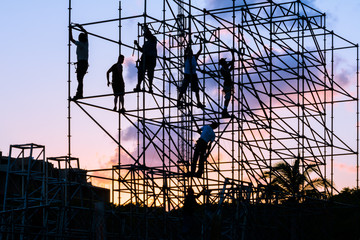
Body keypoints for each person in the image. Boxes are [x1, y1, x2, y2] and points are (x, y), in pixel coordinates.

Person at [177, 40, 205, 109]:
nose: (189, 53)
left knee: (196, 90)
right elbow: (186, 51)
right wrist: (188, 44)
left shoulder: (194, 58)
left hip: (192, 75)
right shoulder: (186, 57)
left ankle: (198, 102)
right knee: (183, 90)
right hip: (188, 75)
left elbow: (200, 50)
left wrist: (200, 42)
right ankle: (178, 101)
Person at [133, 25, 157, 93]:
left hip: (151, 59)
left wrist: (145, 29)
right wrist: (137, 44)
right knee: (141, 72)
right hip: (145, 59)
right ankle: (138, 86)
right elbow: (142, 50)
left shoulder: (153, 39)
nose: (145, 37)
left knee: (150, 74)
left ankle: (150, 87)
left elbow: (150, 35)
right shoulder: (146, 43)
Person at [69, 24, 89, 100]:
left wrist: (70, 29)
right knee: (80, 79)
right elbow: (86, 32)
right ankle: (79, 93)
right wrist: (79, 27)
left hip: (81, 64)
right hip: (84, 63)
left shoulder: (80, 44)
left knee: (80, 79)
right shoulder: (86, 43)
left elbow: (71, 39)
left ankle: (79, 94)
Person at [219, 49, 235, 118]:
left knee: (228, 98)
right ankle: (224, 110)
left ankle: (225, 110)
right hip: (227, 84)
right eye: (225, 61)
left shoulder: (224, 68)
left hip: (228, 84)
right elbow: (232, 61)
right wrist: (232, 53)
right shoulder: (224, 68)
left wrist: (230, 69)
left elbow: (228, 71)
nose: (226, 62)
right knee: (227, 98)